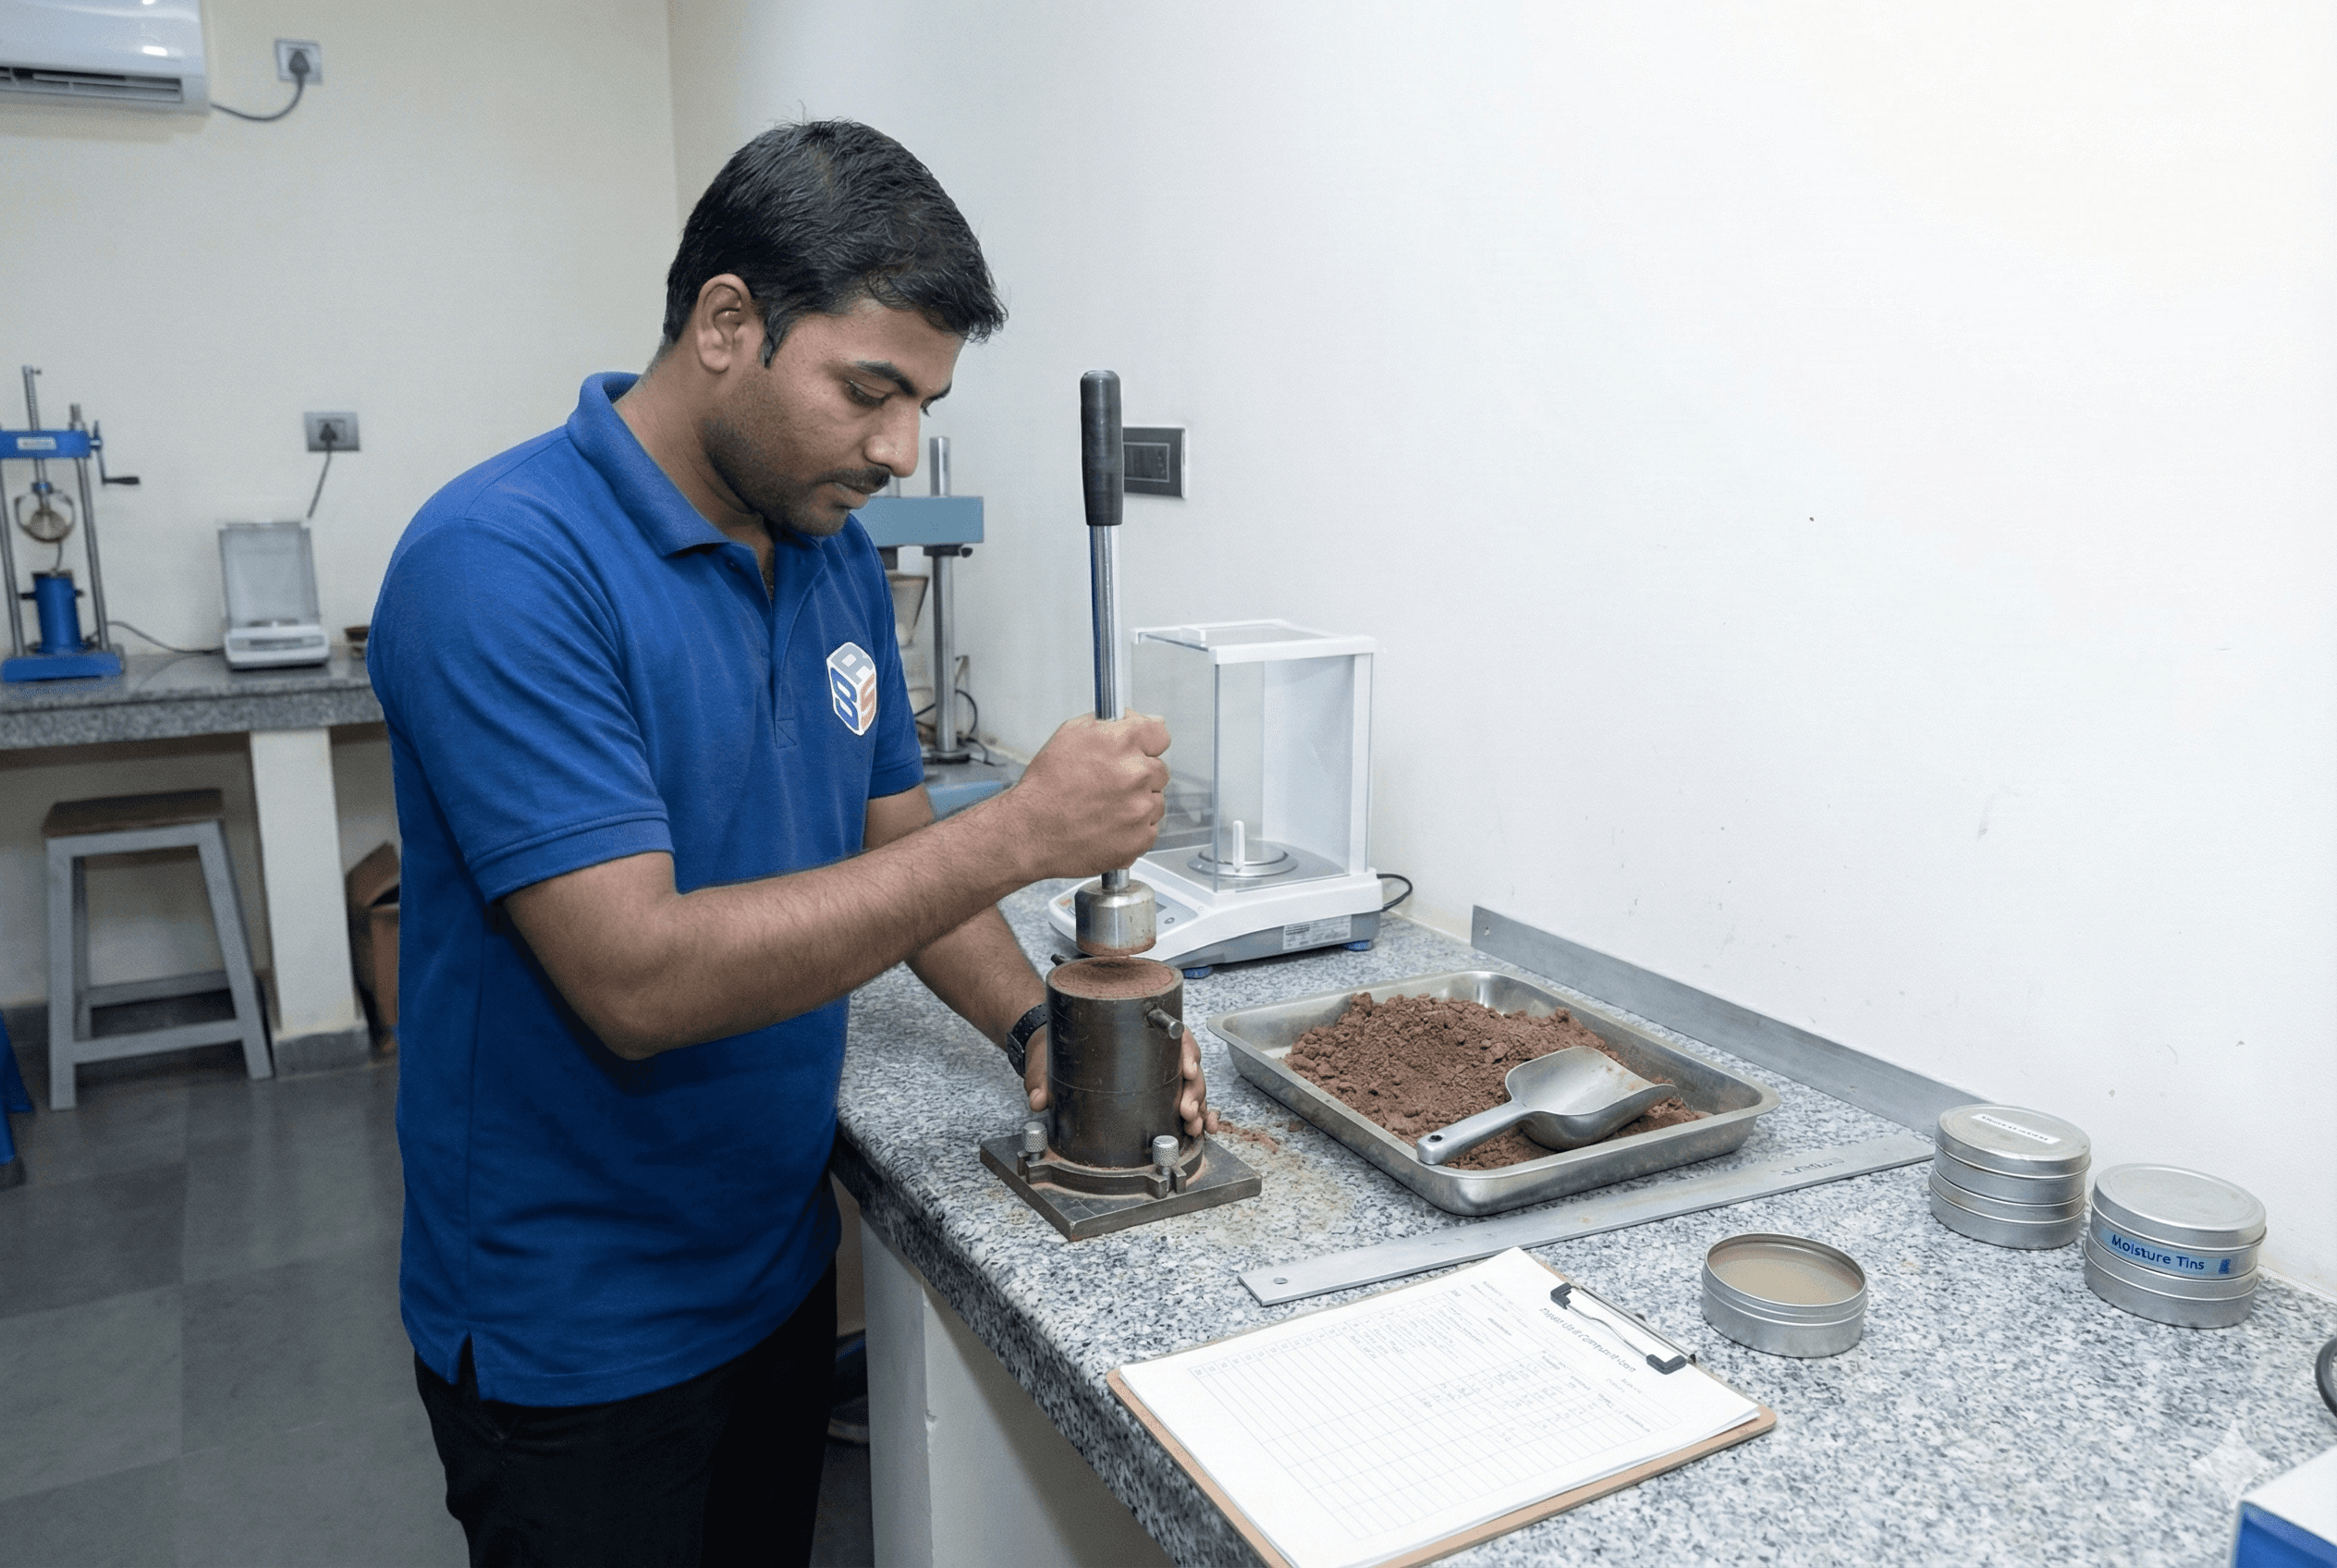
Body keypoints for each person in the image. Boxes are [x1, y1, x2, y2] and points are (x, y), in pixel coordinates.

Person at [369, 119, 1213, 1568]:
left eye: (922, 403)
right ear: (724, 323)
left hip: (771, 1272)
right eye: (868, 392)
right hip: (573, 1329)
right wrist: (1022, 831)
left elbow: (896, 844)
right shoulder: (500, 565)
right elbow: (638, 980)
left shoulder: (828, 557)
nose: (897, 448)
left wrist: (1037, 1029)